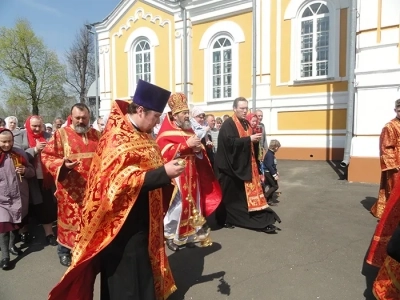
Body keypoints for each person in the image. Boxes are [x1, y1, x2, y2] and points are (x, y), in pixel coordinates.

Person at [48, 80, 182, 300]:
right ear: (140, 110)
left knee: (143, 271)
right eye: (156, 116)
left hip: (145, 218)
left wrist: (167, 168)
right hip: (122, 224)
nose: (157, 123)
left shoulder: (144, 134)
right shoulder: (116, 138)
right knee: (126, 278)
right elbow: (115, 183)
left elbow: (150, 166)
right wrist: (162, 174)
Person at [156, 93, 221, 251]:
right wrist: (186, 145)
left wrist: (198, 149)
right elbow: (162, 153)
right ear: (175, 115)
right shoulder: (166, 132)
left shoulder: (189, 130)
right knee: (178, 205)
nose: (187, 116)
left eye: (187, 112)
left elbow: (198, 151)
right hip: (177, 175)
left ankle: (187, 236)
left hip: (193, 173)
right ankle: (170, 234)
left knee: (194, 204)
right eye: (184, 113)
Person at [41, 103, 100, 267]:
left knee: (90, 222)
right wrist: (63, 165)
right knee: (69, 224)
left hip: (92, 190)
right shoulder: (61, 134)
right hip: (70, 192)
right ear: (71, 117)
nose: (81, 121)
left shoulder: (98, 135)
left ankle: (88, 251)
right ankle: (64, 251)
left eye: (84, 118)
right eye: (78, 118)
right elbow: (47, 156)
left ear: (89, 117)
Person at [215, 97, 281, 233]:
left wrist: (254, 142)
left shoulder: (245, 123)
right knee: (230, 198)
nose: (245, 111)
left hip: (245, 166)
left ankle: (260, 220)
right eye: (242, 108)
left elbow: (246, 143)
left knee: (242, 199)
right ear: (234, 109)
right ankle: (227, 219)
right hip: (230, 169)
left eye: (246, 108)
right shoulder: (228, 124)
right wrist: (248, 139)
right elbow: (229, 144)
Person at [0, 128, 35, 270]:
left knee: (15, 224)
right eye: (3, 142)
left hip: (19, 197)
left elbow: (32, 171)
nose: (7, 145)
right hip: (1, 199)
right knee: (3, 228)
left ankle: (12, 246)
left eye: (9, 141)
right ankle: (5, 257)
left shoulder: (19, 154)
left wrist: (25, 171)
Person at [23, 115, 58, 245]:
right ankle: (23, 233)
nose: (37, 129)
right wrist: (35, 150)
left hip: (45, 178)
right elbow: (18, 153)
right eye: (34, 126)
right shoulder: (21, 135)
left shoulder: (49, 136)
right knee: (26, 207)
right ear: (28, 125)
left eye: (39, 126)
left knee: (46, 206)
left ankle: (49, 233)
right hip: (27, 178)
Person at [371, 99, 400, 219]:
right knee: (394, 189)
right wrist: (394, 164)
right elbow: (386, 147)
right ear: (395, 110)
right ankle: (392, 214)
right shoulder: (390, 126)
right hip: (397, 164)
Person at [263, 140, 281, 205]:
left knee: (271, 186)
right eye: (278, 147)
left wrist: (276, 171)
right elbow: (269, 165)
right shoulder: (270, 155)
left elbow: (272, 165)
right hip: (268, 173)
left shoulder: (270, 153)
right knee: (275, 186)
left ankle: (269, 201)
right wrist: (274, 175)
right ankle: (265, 196)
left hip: (269, 172)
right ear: (275, 147)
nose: (278, 149)